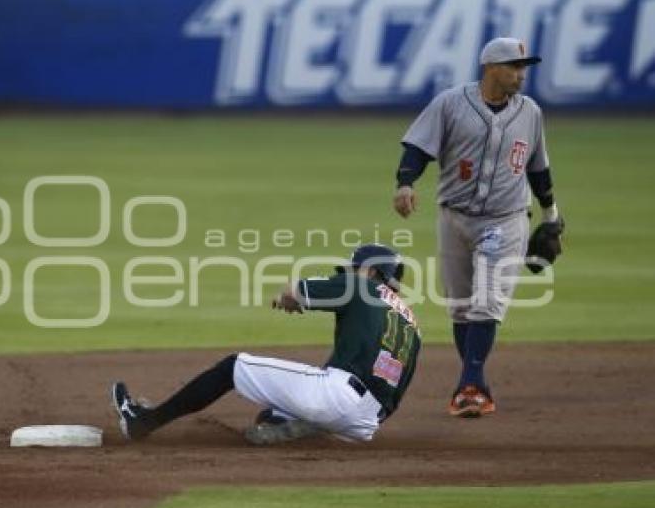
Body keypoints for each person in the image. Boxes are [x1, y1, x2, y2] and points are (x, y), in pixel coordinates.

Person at [392, 36, 563, 418]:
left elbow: (539, 168)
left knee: (487, 301)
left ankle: (469, 384)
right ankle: (475, 378)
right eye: (514, 67)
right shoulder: (452, 103)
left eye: (523, 68)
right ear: (490, 68)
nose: (521, 74)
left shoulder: (530, 112)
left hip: (506, 219)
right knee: (460, 307)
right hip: (454, 217)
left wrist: (551, 214)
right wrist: (405, 183)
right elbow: (418, 148)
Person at [111, 244, 421, 445]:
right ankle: (295, 425)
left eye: (354, 268)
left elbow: (294, 290)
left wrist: (288, 301)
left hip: (336, 396)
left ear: (372, 272)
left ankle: (143, 422)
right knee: (273, 414)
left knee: (233, 367)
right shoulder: (412, 325)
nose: (349, 273)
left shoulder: (361, 284)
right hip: (367, 422)